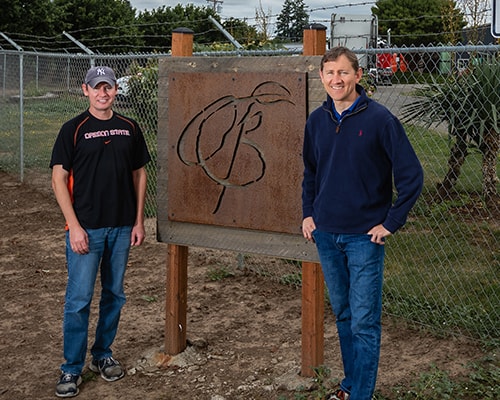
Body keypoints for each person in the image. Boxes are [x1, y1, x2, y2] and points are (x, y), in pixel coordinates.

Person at [301, 47, 423, 400]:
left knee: (364, 323)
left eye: (343, 72)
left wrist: (391, 222)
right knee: (343, 315)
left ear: (357, 75)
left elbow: (412, 176)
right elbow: (310, 172)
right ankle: (351, 386)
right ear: (321, 77)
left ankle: (361, 395)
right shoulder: (316, 121)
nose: (336, 79)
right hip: (325, 234)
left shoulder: (380, 120)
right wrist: (309, 213)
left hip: (364, 238)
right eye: (329, 73)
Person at [50, 66, 151, 398]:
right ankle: (71, 368)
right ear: (86, 90)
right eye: (97, 88)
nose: (103, 93)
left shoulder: (130, 128)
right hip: (87, 230)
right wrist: (74, 226)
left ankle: (102, 355)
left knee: (114, 295)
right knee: (78, 300)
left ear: (115, 91)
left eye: (108, 87)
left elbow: (139, 175)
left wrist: (138, 221)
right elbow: (58, 179)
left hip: (122, 227)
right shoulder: (73, 129)